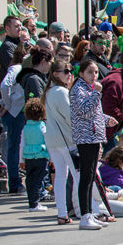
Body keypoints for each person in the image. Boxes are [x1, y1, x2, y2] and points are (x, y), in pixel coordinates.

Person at [71, 59, 117, 230]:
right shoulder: (79, 89)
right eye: (90, 72)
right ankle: (84, 215)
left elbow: (94, 113)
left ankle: (89, 213)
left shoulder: (89, 89)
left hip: (93, 136)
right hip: (85, 138)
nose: (94, 76)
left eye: (96, 72)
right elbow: (83, 111)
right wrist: (97, 94)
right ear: (81, 73)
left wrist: (105, 120)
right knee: (86, 176)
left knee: (90, 176)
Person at [45, 59, 79, 224]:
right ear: (56, 74)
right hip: (66, 140)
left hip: (53, 140)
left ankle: (62, 213)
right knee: (77, 175)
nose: (69, 74)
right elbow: (71, 117)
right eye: (66, 71)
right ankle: (86, 210)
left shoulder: (51, 91)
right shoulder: (60, 92)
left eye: (70, 71)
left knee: (61, 176)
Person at [0, 43, 29, 195]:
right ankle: (15, 183)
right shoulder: (17, 69)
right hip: (16, 114)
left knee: (18, 148)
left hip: (18, 113)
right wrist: (9, 104)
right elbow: (4, 86)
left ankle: (17, 182)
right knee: (14, 149)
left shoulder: (21, 69)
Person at [19, 98, 50, 212]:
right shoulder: (42, 127)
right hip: (41, 156)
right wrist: (51, 157)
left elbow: (22, 145)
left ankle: (32, 202)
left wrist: (21, 160)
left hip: (28, 157)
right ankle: (35, 203)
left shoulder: (25, 128)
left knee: (30, 179)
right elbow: (48, 142)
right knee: (39, 180)